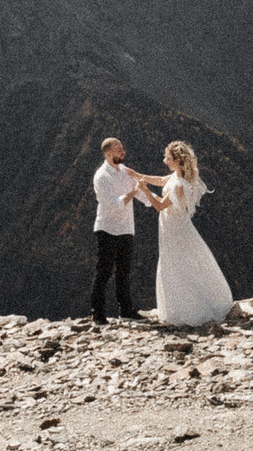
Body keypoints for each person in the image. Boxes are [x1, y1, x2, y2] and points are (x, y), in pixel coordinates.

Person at [142, 139, 234, 327]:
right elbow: (160, 180)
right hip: (175, 225)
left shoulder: (179, 185)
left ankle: (187, 310)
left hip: (175, 229)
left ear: (177, 160)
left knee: (178, 265)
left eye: (167, 158)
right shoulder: (178, 177)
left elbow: (159, 205)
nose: (164, 160)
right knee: (186, 263)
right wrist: (135, 174)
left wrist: (144, 190)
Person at [90, 137, 157, 324]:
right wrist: (134, 192)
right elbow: (115, 205)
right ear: (108, 153)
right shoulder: (101, 176)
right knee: (103, 271)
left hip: (126, 228)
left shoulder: (125, 172)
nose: (123, 152)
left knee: (124, 272)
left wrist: (162, 202)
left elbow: (143, 195)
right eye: (119, 150)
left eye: (122, 149)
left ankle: (126, 310)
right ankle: (98, 313)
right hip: (107, 229)